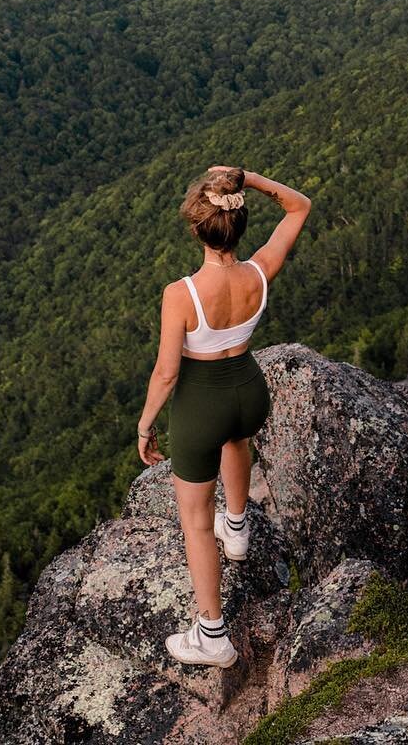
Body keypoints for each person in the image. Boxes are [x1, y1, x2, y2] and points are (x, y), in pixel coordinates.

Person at [136, 163, 312, 667]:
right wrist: (249, 179)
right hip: (249, 394)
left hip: (202, 405)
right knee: (238, 440)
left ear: (198, 230)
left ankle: (211, 633)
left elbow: (168, 374)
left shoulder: (182, 294)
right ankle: (236, 526)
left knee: (194, 521)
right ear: (238, 227)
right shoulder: (260, 270)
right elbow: (299, 205)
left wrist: (146, 424)